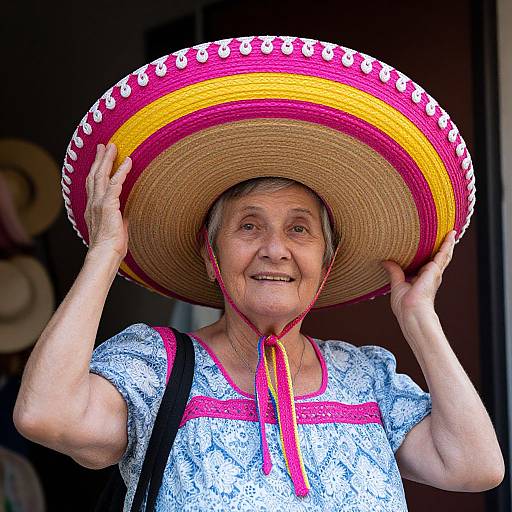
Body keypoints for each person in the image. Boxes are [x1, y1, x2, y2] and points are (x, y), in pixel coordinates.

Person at [13, 35, 504, 510]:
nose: (275, 249)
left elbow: (474, 467)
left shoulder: (366, 380)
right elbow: (46, 413)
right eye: (249, 226)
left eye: (299, 229)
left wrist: (419, 317)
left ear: (325, 265)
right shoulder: (153, 368)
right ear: (211, 255)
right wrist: (105, 252)